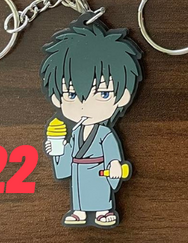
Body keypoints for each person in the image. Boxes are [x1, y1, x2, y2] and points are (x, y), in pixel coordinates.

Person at [40, 17, 143, 227]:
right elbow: (67, 159)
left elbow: (113, 156)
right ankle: (79, 211)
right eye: (71, 95)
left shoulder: (105, 134)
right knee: (79, 193)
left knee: (100, 193)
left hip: (99, 172)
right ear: (57, 99)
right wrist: (58, 151)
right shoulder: (76, 133)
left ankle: (104, 211)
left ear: (122, 97)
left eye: (103, 94)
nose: (85, 106)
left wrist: (115, 166)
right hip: (79, 172)